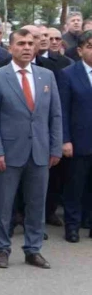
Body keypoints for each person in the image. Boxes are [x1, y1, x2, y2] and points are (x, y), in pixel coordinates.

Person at [0, 28, 62, 269]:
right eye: (21, 43)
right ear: (11, 47)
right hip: (8, 153)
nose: (27, 47)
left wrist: (55, 147)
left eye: (30, 43)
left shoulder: (46, 76)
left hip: (39, 152)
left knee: (37, 204)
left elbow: (55, 114)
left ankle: (33, 249)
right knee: (3, 204)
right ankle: (2, 248)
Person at [58, 30, 92, 242]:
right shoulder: (68, 74)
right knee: (75, 186)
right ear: (80, 51)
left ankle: (89, 221)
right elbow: (62, 109)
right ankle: (72, 225)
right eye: (90, 46)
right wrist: (65, 139)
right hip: (78, 141)